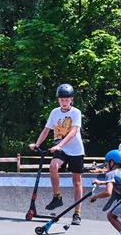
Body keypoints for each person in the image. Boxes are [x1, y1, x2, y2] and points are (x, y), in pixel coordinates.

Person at [29, 83, 86, 225]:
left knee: (76, 181)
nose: (64, 102)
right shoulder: (54, 112)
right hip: (61, 149)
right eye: (61, 100)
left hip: (76, 150)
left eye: (67, 100)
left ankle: (77, 214)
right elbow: (46, 130)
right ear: (58, 100)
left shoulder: (76, 113)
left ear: (71, 99)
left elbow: (73, 132)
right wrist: (37, 144)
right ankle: (57, 197)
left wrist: (59, 144)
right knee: (53, 166)